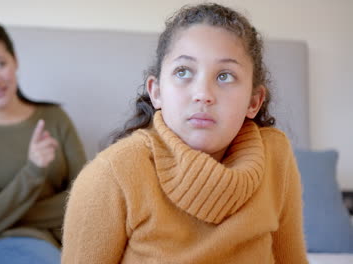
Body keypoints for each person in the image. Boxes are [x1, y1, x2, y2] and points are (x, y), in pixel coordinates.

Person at [62, 3, 308, 263]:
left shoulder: (275, 155)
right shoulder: (110, 176)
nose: (203, 94)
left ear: (253, 101)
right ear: (156, 92)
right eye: (183, 72)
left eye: (225, 76)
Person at [0, 20, 86, 264]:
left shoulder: (54, 118)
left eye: (0, 64)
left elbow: (86, 199)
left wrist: (0, 216)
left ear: (15, 61)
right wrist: (33, 172)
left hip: (61, 241)